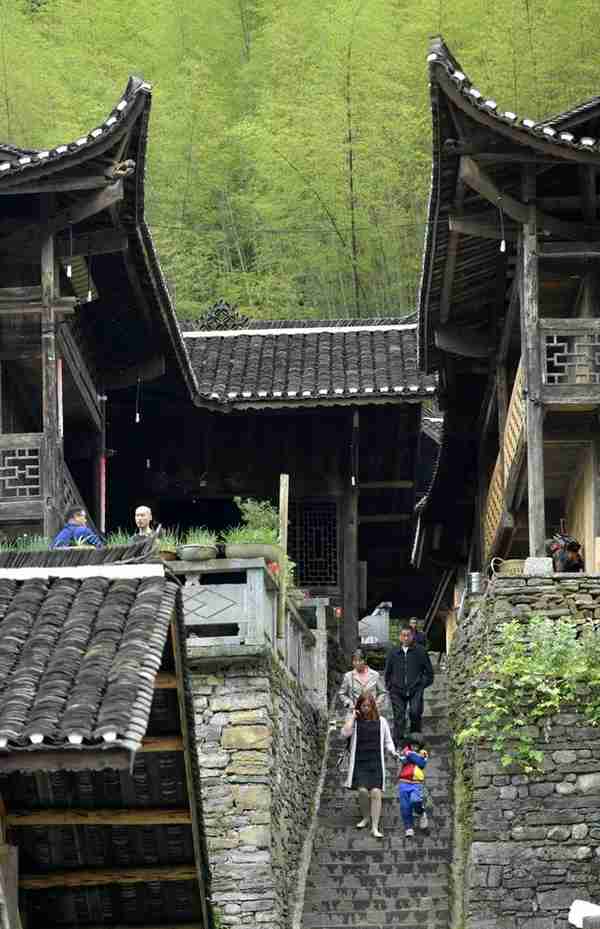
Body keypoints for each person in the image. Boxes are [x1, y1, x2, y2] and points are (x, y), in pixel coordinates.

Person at [341, 692, 397, 839]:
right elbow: (344, 734)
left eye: (369, 705)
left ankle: (374, 827)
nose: (366, 708)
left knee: (376, 793)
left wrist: (392, 751)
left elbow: (388, 741)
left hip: (376, 761)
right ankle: (365, 817)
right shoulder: (354, 721)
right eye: (363, 706)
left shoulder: (382, 721)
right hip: (360, 761)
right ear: (359, 706)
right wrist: (352, 717)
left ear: (373, 706)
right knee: (363, 792)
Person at [384, 625, 434, 746]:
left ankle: (415, 739)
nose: (406, 638)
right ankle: (399, 743)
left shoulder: (420, 651)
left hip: (415, 689)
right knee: (399, 716)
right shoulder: (393, 652)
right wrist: (390, 686)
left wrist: (422, 685)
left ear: (413, 636)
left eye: (408, 635)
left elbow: (429, 673)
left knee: (415, 712)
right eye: (403, 635)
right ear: (400, 637)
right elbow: (388, 672)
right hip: (397, 690)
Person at [396, 732, 429, 838]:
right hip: (404, 782)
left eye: (417, 746)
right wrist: (405, 755)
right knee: (405, 806)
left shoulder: (423, 753)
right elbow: (403, 760)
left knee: (416, 800)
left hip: (416, 783)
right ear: (409, 744)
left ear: (420, 746)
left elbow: (421, 763)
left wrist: (409, 754)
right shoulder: (404, 752)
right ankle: (408, 827)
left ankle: (421, 812)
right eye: (413, 745)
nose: (414, 747)